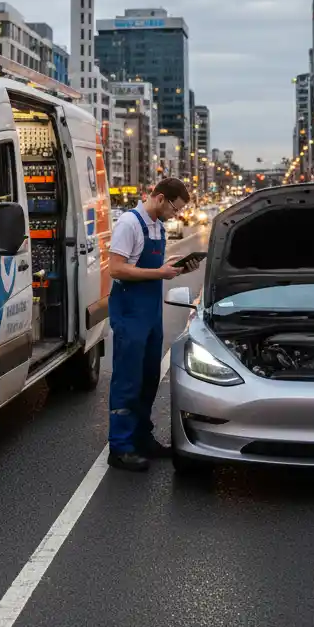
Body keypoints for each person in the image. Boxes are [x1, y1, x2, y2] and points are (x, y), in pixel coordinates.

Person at [106, 177, 194, 473]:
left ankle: (142, 438)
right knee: (128, 379)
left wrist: (174, 266)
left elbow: (148, 267)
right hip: (131, 310)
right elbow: (116, 268)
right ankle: (120, 447)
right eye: (174, 208)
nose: (176, 214)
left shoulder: (156, 225)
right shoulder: (129, 224)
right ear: (159, 198)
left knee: (148, 378)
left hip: (151, 311)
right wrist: (159, 272)